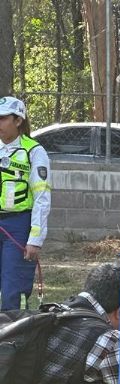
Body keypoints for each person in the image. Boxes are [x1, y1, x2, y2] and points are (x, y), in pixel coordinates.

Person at [0, 96, 50, 310]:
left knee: (13, 290)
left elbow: (42, 197)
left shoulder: (34, 151)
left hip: (18, 225)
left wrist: (35, 239)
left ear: (18, 120)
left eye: (2, 119)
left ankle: (12, 339)